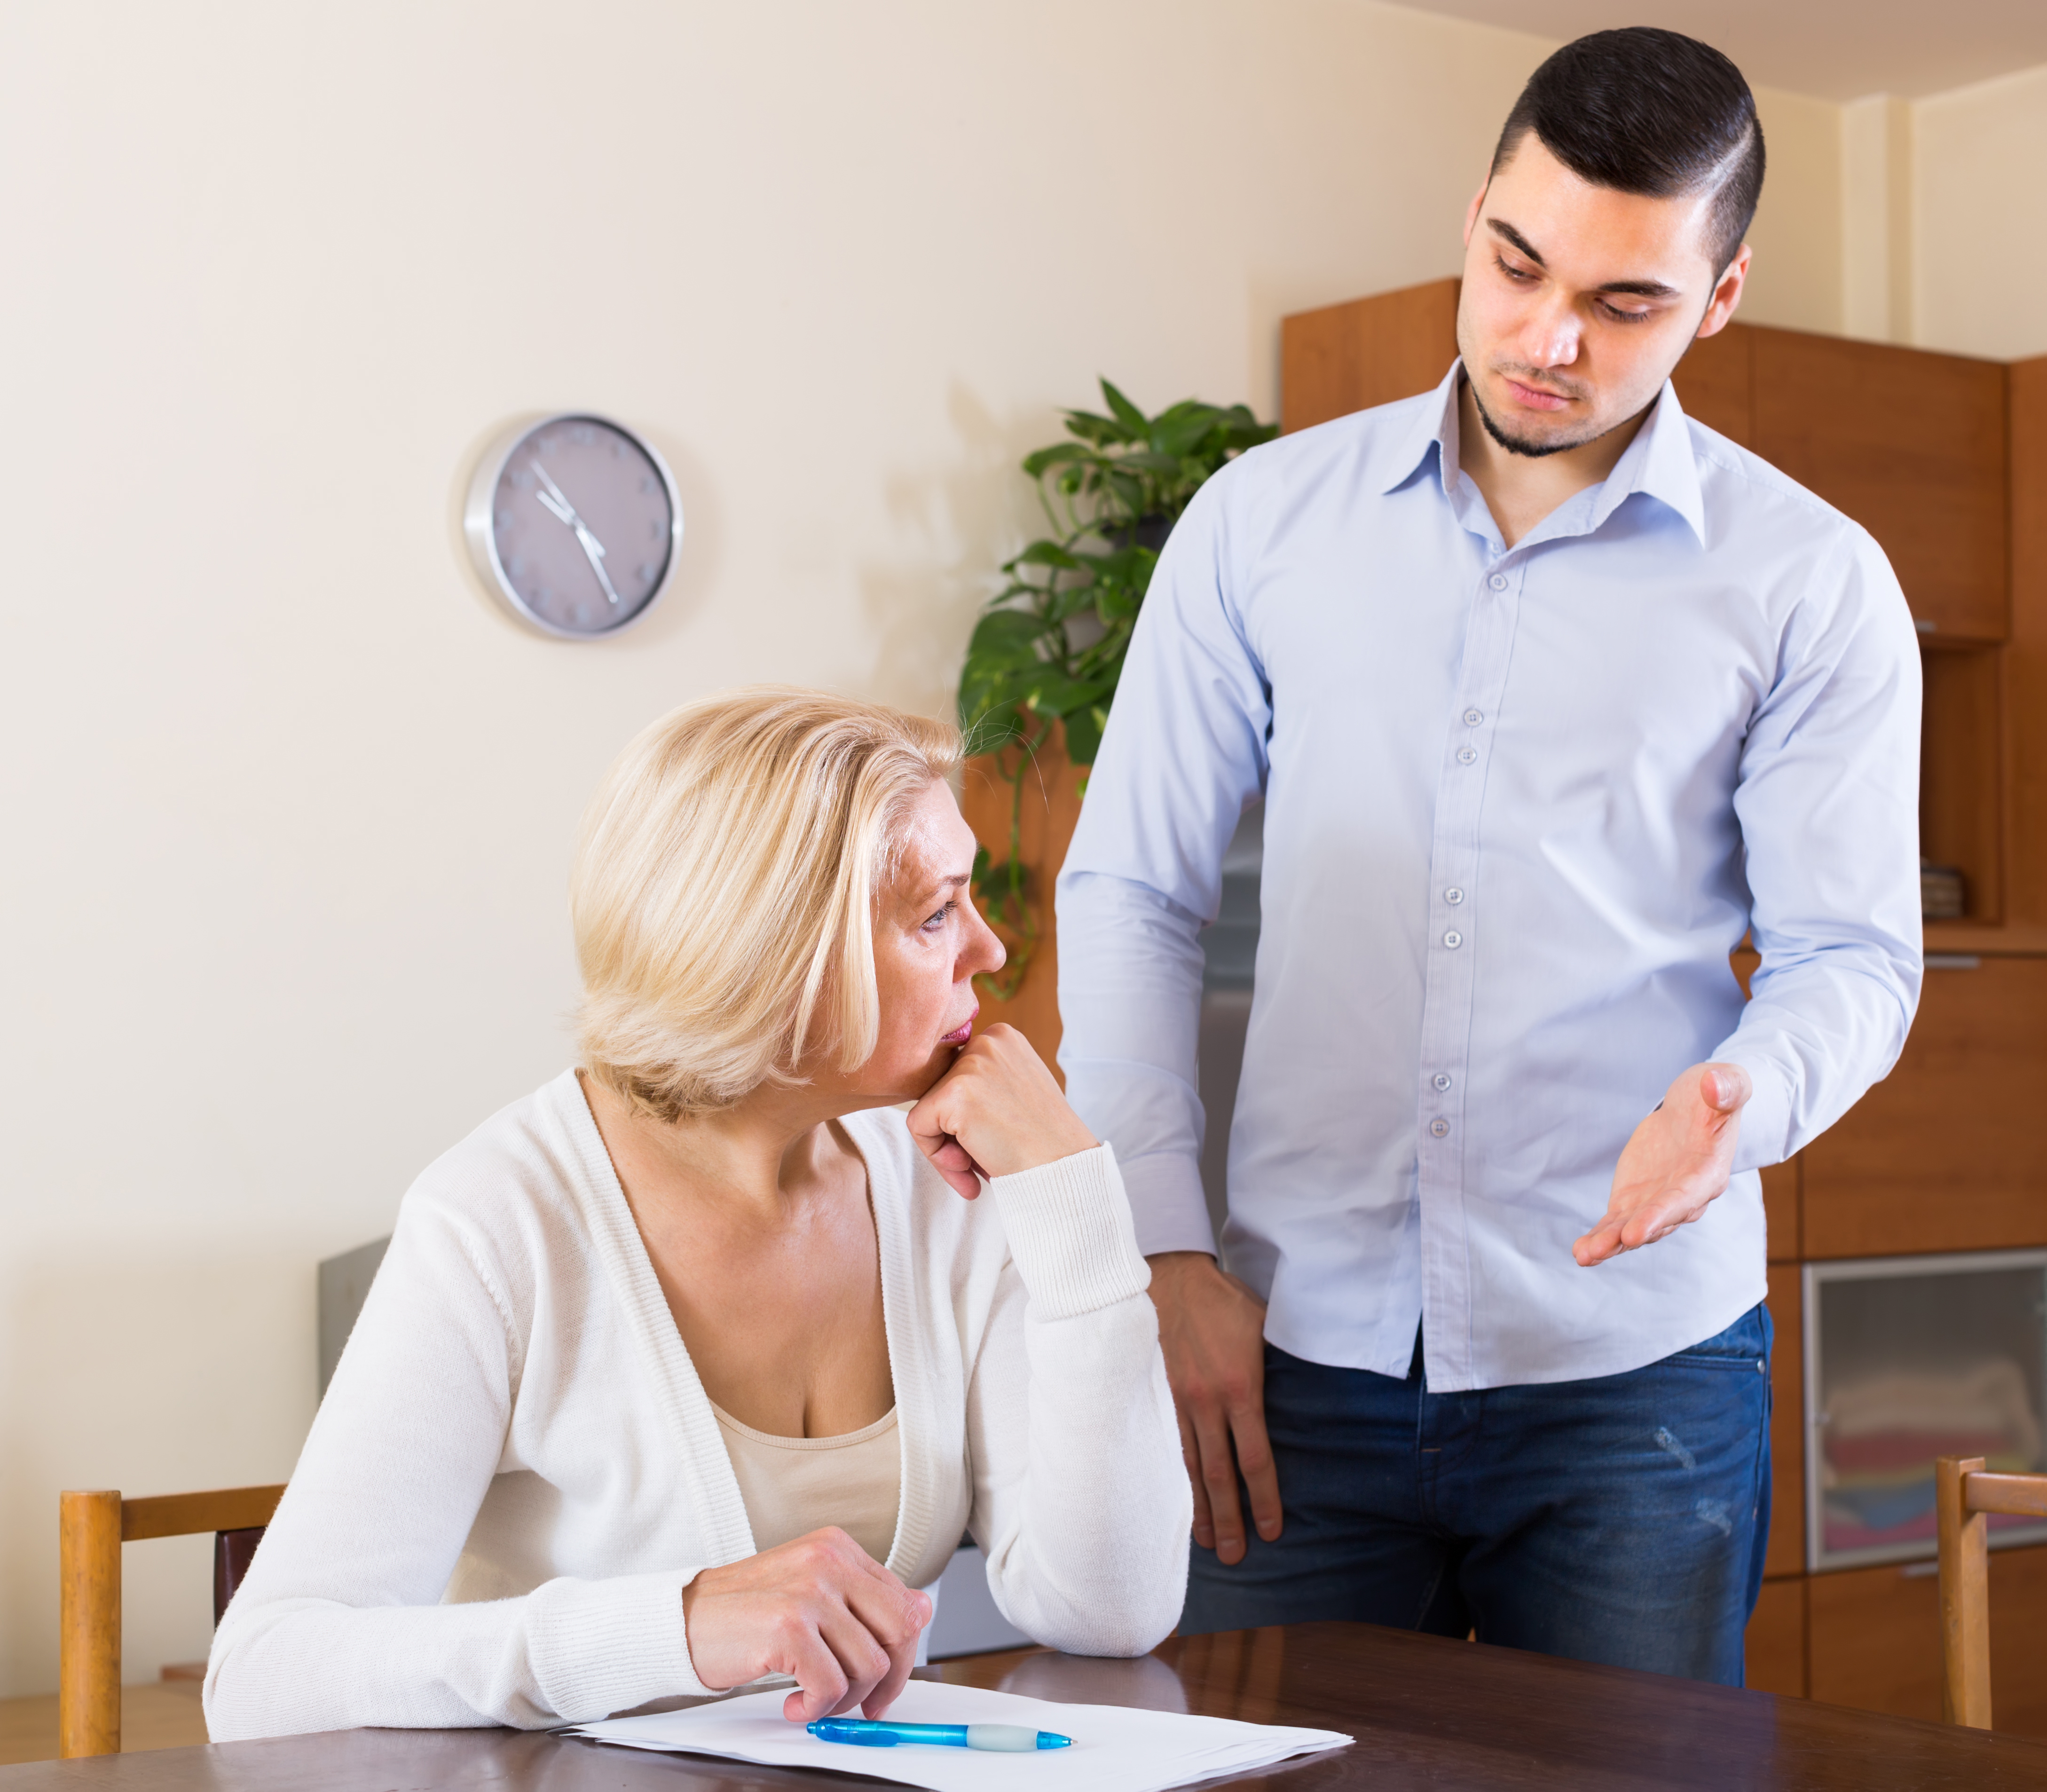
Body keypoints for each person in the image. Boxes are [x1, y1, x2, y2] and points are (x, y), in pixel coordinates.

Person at [1055, 27, 1921, 1684]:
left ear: (1718, 296)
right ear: (1473, 216)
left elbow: (1851, 959)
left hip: (1635, 1369)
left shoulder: (1808, 584)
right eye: (1516, 264)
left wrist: (1752, 1092)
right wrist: (1162, 1251)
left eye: (1625, 304)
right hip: (1286, 1354)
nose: (1545, 339)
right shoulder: (1260, 523)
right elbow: (1132, 892)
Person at [205, 687, 1189, 1740]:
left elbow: (1111, 1608)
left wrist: (1071, 1198)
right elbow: (265, 1675)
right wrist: (676, 1627)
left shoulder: (950, 1185)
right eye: (936, 912)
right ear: (781, 961)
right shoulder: (497, 1220)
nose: (988, 952)